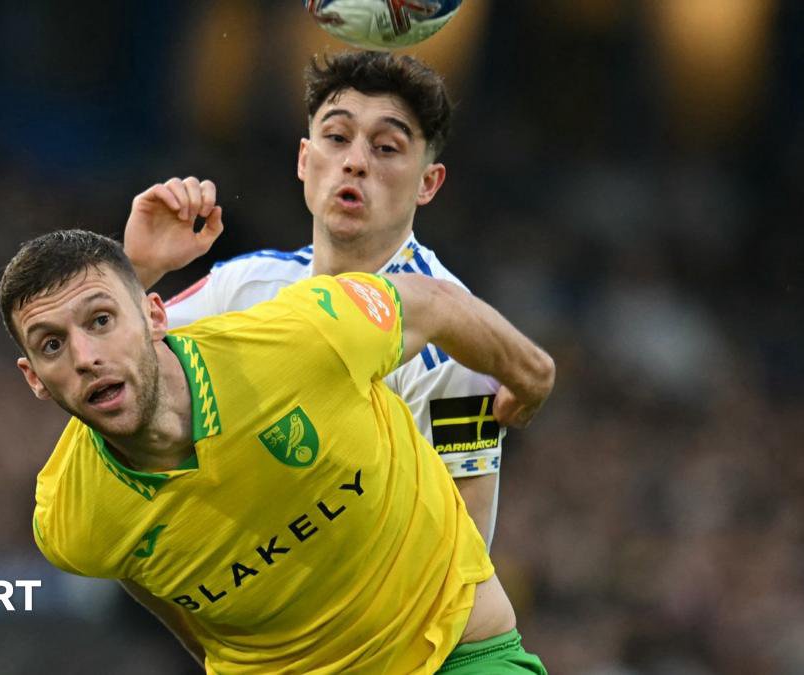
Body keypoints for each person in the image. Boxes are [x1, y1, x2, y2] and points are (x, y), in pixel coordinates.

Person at [0, 229, 551, 673]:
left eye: (101, 321)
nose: (85, 357)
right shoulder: (72, 522)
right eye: (53, 345)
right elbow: (165, 595)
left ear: (155, 316)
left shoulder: (300, 339)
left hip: (455, 653)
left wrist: (530, 375)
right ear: (35, 379)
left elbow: (434, 303)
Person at [123, 51, 540, 545]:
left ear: (428, 183)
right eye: (337, 138)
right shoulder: (246, 286)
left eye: (386, 148)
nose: (355, 162)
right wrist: (138, 270)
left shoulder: (454, 343)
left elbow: (462, 553)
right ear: (304, 160)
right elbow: (105, 377)